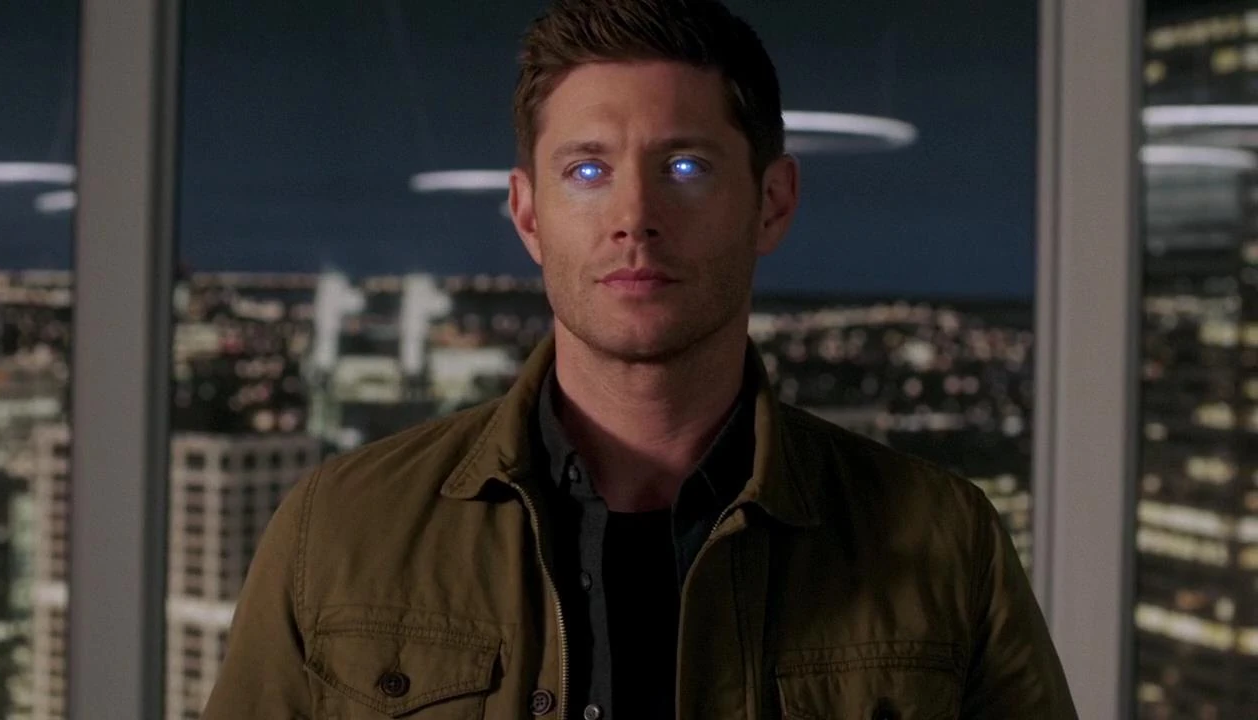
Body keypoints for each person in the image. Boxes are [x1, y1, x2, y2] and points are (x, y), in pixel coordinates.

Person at [203, 0, 1077, 717]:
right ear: (528, 214)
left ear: (772, 203)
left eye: (686, 167)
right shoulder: (342, 531)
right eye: (587, 172)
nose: (634, 217)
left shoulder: (942, 541)